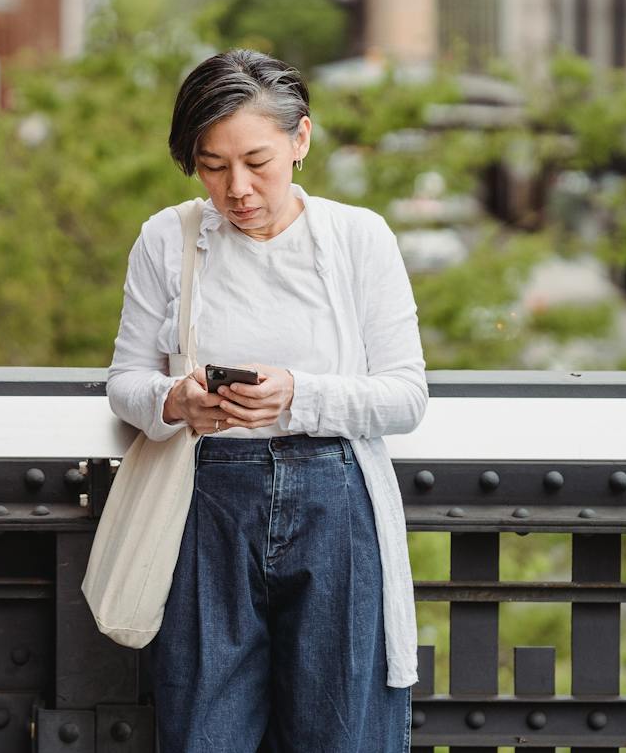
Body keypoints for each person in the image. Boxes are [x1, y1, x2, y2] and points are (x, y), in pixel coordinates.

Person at [106, 48, 427, 753]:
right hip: (205, 502)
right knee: (205, 731)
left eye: (258, 161)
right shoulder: (168, 238)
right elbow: (125, 381)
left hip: (336, 501)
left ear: (300, 138)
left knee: (341, 732)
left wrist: (297, 395)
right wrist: (176, 401)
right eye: (212, 166)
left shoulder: (357, 237)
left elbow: (406, 395)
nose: (238, 188)